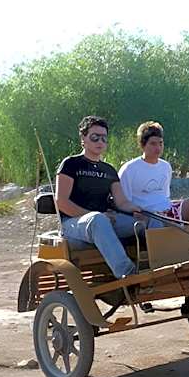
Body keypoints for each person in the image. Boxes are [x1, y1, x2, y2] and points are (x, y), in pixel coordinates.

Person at [55, 116, 143, 279]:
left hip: (105, 222)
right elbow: (61, 202)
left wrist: (138, 209)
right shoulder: (71, 164)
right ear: (83, 138)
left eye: (104, 138)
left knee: (149, 221)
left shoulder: (109, 170)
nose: (100, 141)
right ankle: (128, 274)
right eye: (95, 137)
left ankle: (158, 267)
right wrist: (96, 215)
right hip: (74, 225)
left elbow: (122, 202)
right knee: (97, 220)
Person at [118, 121, 189, 226]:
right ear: (142, 145)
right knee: (158, 221)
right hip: (149, 216)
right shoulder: (129, 169)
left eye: (160, 143)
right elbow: (123, 202)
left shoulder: (165, 166)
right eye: (153, 144)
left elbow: (165, 196)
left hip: (169, 211)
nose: (158, 148)